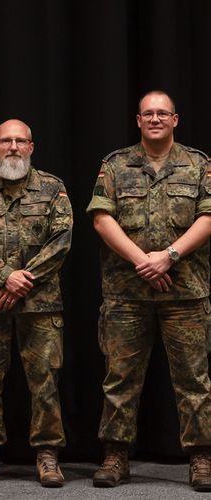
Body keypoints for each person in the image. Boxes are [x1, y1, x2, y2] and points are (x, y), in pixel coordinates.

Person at [87, 90, 211, 492]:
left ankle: (202, 458)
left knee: (194, 379)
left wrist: (169, 256)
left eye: (163, 113)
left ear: (175, 120)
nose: (155, 118)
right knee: (120, 377)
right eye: (148, 114)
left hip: (186, 293)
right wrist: (145, 260)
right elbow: (102, 219)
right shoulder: (115, 164)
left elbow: (209, 216)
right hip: (127, 294)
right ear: (138, 121)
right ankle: (116, 456)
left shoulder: (199, 164)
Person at [0, 119, 72, 487]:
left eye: (20, 141)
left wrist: (21, 282)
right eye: (6, 140)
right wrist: (4, 275)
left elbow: (61, 241)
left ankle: (48, 454)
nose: (13, 147)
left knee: (45, 382)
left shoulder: (53, 188)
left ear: (31, 148)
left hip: (41, 306)